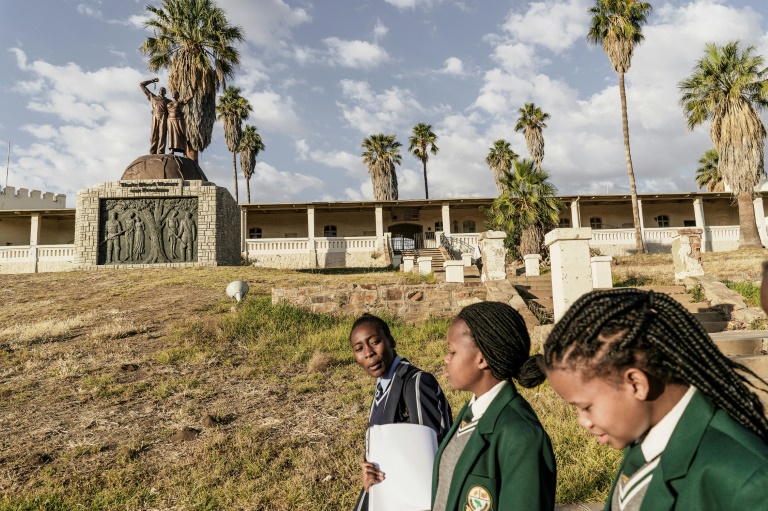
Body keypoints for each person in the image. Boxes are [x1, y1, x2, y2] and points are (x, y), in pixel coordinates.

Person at [541, 288, 768, 511]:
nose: (583, 421)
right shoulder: (645, 439)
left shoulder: (748, 480)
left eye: (586, 407)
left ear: (636, 384)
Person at [432, 301, 556, 511]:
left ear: (482, 359)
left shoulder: (522, 436)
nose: (446, 358)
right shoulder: (471, 411)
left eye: (452, 352)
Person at [350, 313, 452, 511]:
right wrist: (368, 470)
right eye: (359, 348)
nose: (369, 353)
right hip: (381, 494)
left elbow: (430, 456)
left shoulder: (415, 383)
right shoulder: (383, 386)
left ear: (391, 341)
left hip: (406, 500)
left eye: (375, 342)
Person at [140, 78, 170, 154]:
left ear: (165, 92)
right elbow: (142, 85)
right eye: (160, 89)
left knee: (162, 134)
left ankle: (161, 151)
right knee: (154, 134)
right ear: (159, 91)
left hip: (164, 116)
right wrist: (151, 81)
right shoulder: (153, 97)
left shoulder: (168, 101)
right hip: (155, 115)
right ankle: (153, 152)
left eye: (163, 90)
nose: (162, 90)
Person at [167, 90, 192, 155]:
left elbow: (191, 96)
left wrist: (189, 87)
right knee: (171, 134)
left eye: (175, 93)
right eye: (173, 93)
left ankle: (184, 149)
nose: (174, 94)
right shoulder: (168, 102)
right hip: (170, 120)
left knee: (181, 133)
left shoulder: (180, 102)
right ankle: (172, 149)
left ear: (178, 95)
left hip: (178, 119)